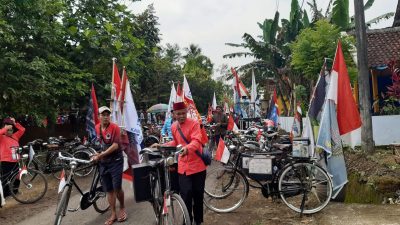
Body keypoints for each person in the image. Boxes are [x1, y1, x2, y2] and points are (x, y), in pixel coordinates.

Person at [158, 102, 207, 225]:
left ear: (186, 112)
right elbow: (175, 141)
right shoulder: (174, 126)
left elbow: (197, 141)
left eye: (183, 113)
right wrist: (161, 146)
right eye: (178, 114)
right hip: (183, 168)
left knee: (198, 195)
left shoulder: (194, 123)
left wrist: (187, 149)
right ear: (174, 114)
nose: (181, 116)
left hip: (198, 167)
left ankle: (198, 221)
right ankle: (187, 220)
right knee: (185, 195)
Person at [92, 106, 126, 225]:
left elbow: (115, 145)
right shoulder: (97, 127)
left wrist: (100, 155)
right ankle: (113, 213)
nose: (106, 116)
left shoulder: (115, 127)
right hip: (104, 162)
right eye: (103, 114)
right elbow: (100, 144)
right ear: (99, 116)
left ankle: (122, 207)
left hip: (116, 160)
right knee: (109, 190)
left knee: (117, 187)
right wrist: (97, 154)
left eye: (107, 114)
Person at [0, 117, 25, 197]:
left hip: (15, 161)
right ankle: (5, 194)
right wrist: (5, 128)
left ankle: (15, 191)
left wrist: (15, 123)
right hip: (6, 161)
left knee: (17, 177)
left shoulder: (15, 136)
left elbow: (22, 130)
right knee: (6, 178)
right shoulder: (2, 137)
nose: (10, 131)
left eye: (11, 130)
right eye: (8, 130)